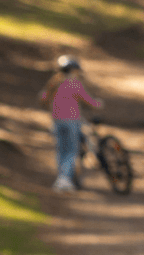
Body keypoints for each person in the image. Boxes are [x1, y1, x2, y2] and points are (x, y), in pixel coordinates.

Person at [38, 55, 103, 192]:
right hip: (71, 122)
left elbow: (43, 97)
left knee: (61, 151)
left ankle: (62, 178)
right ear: (74, 70)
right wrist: (98, 104)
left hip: (57, 122)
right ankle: (65, 180)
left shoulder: (54, 83)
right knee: (71, 151)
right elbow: (88, 100)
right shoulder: (74, 84)